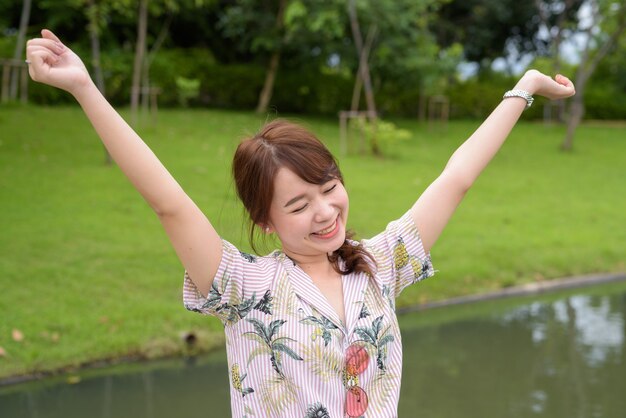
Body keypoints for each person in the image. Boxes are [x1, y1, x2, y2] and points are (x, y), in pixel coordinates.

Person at [26, 29, 575, 418]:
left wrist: (523, 88)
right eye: (297, 205)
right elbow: (167, 201)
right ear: (263, 221)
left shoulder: (379, 265)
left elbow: (457, 178)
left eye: (330, 187)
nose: (325, 211)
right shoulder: (243, 288)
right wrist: (83, 88)